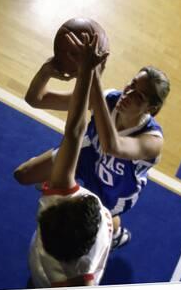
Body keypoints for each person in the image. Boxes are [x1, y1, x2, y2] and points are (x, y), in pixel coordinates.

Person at [15, 39, 170, 250]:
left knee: (78, 234)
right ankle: (58, 179)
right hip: (87, 155)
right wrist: (48, 70)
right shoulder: (108, 99)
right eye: (132, 84)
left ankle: (115, 232)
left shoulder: (152, 141)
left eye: (139, 95)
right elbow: (36, 99)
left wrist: (93, 74)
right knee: (23, 175)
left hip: (116, 186)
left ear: (151, 109)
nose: (129, 93)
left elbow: (112, 146)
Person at [28, 31, 113, 288]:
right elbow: (77, 133)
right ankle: (118, 232)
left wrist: (86, 71)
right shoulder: (84, 281)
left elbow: (75, 132)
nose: (75, 192)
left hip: (46, 280)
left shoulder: (52, 205)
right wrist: (88, 72)